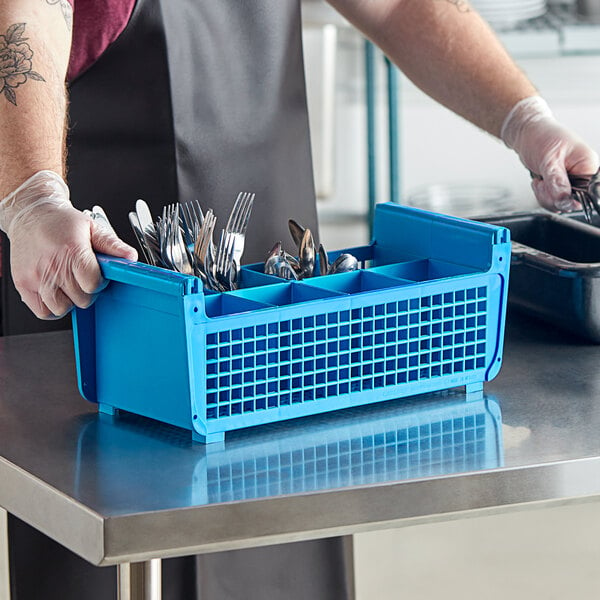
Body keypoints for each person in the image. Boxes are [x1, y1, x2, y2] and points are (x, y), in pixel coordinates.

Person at [0, 0, 598, 599]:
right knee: (106, 549)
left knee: (280, 542)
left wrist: (524, 119)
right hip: (98, 269)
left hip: (280, 294)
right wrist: (33, 199)